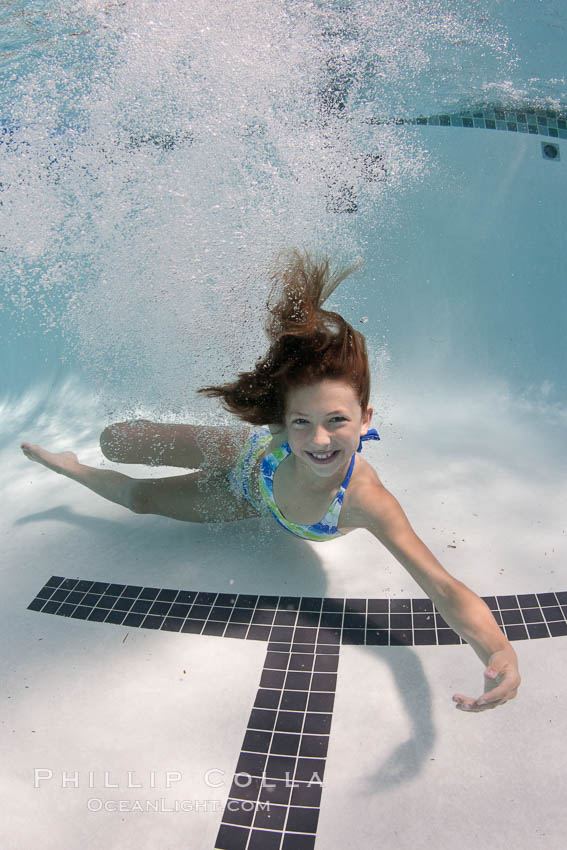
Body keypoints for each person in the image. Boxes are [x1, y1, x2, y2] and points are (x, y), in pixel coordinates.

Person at [21, 250, 521, 712]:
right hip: (239, 454)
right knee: (117, 440)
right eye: (302, 421)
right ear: (285, 419)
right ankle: (99, 447)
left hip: (245, 499)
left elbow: (442, 587)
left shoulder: (367, 501)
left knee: (138, 499)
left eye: (338, 421)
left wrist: (498, 649)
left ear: (366, 418)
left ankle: (69, 465)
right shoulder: (284, 430)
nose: (318, 440)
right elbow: (294, 385)